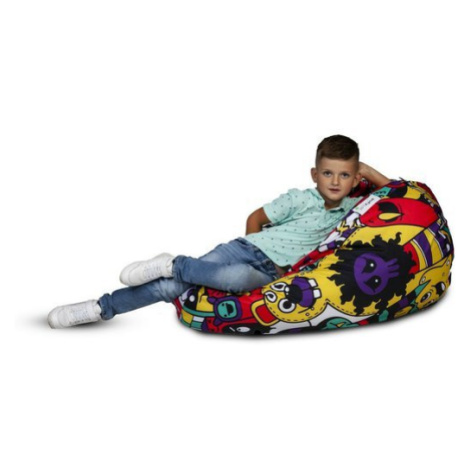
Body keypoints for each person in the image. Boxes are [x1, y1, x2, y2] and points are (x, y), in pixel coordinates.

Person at [48, 135, 390, 328]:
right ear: (315, 174)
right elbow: (256, 218)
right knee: (172, 287)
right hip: (243, 249)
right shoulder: (299, 199)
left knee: (233, 280)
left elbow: (399, 193)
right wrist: (251, 244)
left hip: (271, 273)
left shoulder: (354, 210)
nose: (335, 181)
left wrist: (366, 169)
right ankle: (103, 306)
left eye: (345, 175)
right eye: (328, 173)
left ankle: (173, 264)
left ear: (355, 178)